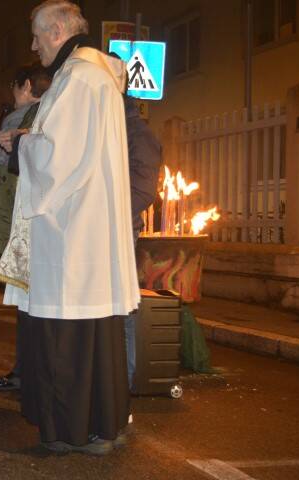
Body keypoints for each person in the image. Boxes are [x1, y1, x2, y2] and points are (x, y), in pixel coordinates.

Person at [0, 1, 139, 455]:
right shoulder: (88, 75)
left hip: (71, 235)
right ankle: (100, 424)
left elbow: (60, 157)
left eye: (37, 36)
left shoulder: (78, 78)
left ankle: (72, 430)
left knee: (68, 332)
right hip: (84, 230)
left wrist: (19, 146)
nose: (34, 45)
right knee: (94, 335)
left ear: (57, 30)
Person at [0, 63, 51, 392]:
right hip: (22, 222)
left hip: (30, 225)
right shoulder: (30, 118)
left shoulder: (37, 118)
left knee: (32, 306)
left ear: (26, 86)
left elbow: (37, 160)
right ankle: (25, 371)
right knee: (26, 306)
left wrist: (14, 141)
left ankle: (31, 373)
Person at [123, 93, 163, 388]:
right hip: (109, 228)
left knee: (122, 306)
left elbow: (144, 191)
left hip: (121, 230)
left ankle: (123, 382)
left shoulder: (137, 133)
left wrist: (108, 216)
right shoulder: (118, 128)